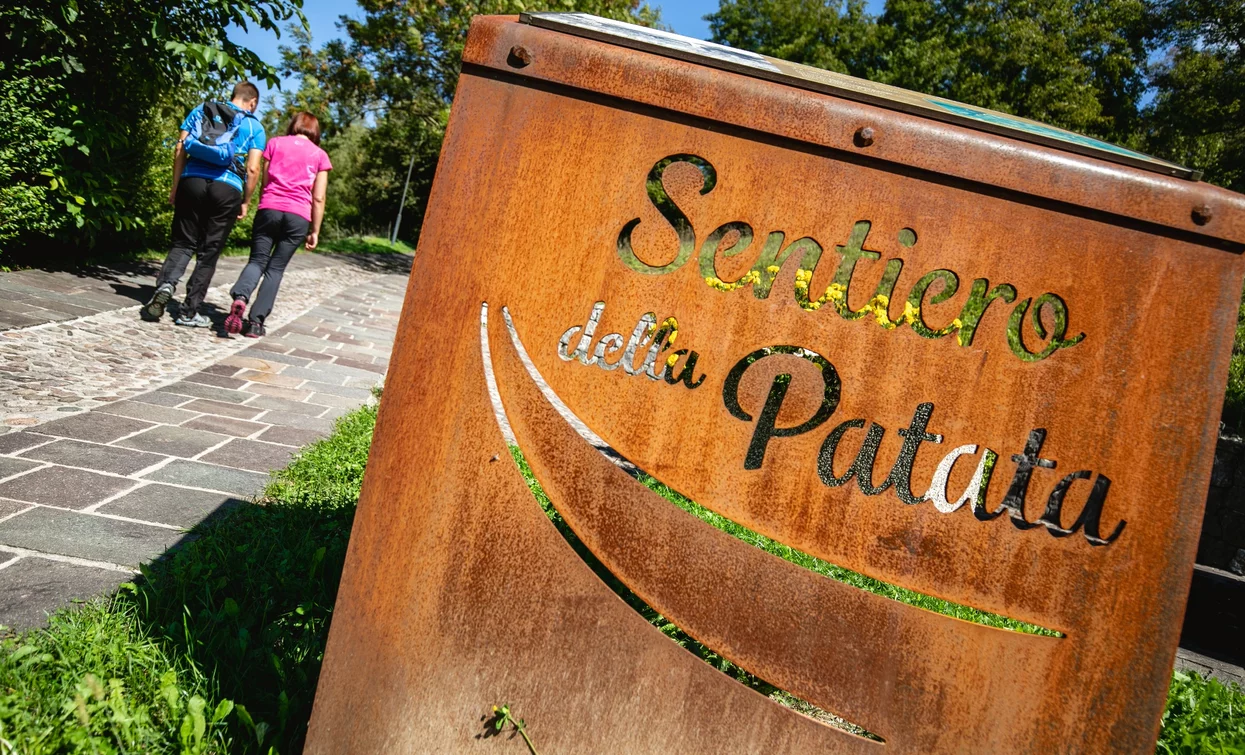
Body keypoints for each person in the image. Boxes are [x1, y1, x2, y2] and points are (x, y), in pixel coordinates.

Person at [141, 82, 267, 326]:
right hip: (227, 188)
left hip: (192, 181)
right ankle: (188, 312)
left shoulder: (203, 109)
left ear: (234, 95)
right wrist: (246, 201)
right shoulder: (254, 126)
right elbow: (253, 168)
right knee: (209, 251)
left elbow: (180, 148)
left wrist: (176, 185)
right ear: (253, 102)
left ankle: (166, 286)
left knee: (183, 241)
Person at [224, 111, 331, 338]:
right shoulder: (320, 155)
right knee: (275, 269)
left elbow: (265, 181)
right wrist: (315, 231)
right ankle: (256, 323)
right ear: (315, 131)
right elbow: (319, 197)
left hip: (269, 208)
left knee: (257, 260)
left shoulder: (275, 143)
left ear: (294, 125)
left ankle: (241, 296)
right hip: (298, 216)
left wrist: (259, 202)